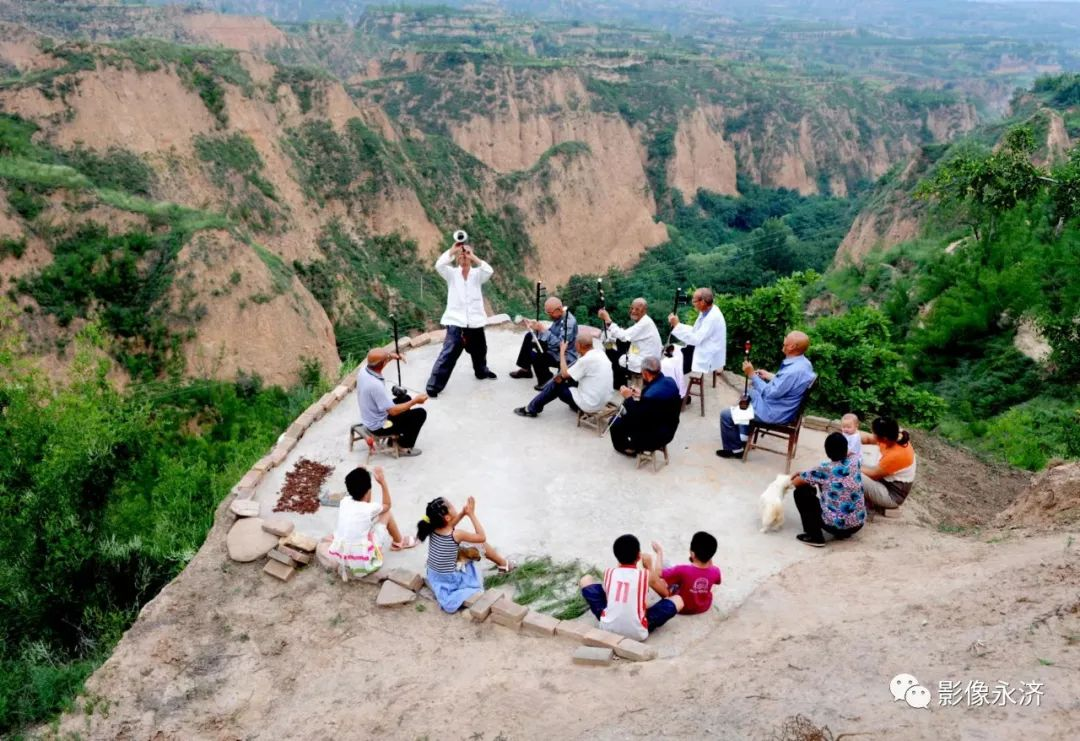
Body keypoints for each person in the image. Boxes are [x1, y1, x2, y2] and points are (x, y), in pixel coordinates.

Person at [717, 331, 815, 458]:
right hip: (783, 407)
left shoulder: (792, 371)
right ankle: (743, 436)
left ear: (792, 347)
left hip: (774, 412)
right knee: (749, 393)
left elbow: (770, 394)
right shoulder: (804, 363)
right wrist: (769, 376)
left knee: (726, 415)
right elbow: (787, 384)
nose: (784, 340)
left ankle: (735, 450)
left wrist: (752, 374)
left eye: (787, 339)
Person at [425, 236, 497, 398]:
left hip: (475, 322)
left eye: (466, 255)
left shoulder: (478, 274)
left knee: (480, 351)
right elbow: (439, 265)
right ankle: (433, 386)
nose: (463, 257)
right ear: (456, 259)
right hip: (455, 322)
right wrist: (453, 250)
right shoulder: (451, 274)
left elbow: (489, 270)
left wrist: (473, 256)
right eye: (461, 255)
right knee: (448, 354)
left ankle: (481, 372)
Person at [416, 495, 514, 613]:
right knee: (480, 546)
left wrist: (463, 512)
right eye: (451, 505)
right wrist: (472, 514)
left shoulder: (432, 528)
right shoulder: (457, 534)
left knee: (464, 546)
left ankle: (503, 564)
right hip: (450, 580)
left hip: (435, 575)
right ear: (447, 517)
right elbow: (481, 537)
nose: (453, 505)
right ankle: (503, 564)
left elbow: (450, 524)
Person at [579, 534, 683, 641]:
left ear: (616, 556)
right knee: (678, 600)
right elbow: (666, 595)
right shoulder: (646, 575)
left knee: (586, 579)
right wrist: (649, 566)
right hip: (637, 633)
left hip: (607, 627)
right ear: (639, 557)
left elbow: (609, 598)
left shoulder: (608, 572)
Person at [326, 467, 417, 579]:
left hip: (345, 560)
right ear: (369, 491)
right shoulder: (369, 509)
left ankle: (393, 542)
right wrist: (382, 483)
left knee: (366, 523)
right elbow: (387, 505)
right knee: (386, 514)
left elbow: (365, 502)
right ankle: (399, 542)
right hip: (364, 565)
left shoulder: (344, 502)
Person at [790, 432, 866, 547]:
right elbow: (849, 454)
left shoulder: (824, 469)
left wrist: (804, 475)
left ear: (827, 451)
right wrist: (808, 474)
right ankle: (845, 532)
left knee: (801, 492)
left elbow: (796, 482)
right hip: (857, 524)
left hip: (835, 526)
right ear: (846, 448)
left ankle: (814, 536)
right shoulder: (855, 460)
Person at [513, 334, 612, 418]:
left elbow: (564, 374)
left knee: (557, 384)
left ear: (579, 345)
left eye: (575, 344)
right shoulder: (600, 353)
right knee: (567, 378)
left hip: (591, 404)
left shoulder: (585, 361)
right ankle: (574, 405)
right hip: (603, 400)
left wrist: (562, 352)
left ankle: (531, 409)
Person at [358, 348, 428, 457]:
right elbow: (393, 412)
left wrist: (391, 356)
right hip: (379, 426)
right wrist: (416, 401)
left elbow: (379, 362)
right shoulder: (375, 385)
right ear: (384, 363)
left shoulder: (363, 370)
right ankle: (403, 446)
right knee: (420, 413)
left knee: (405, 398)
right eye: (387, 359)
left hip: (371, 415)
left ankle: (395, 438)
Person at [609, 356, 682, 456]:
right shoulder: (670, 381)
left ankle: (629, 448)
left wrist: (629, 398)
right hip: (670, 429)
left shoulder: (650, 397)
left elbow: (637, 417)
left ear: (646, 373)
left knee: (615, 421)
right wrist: (641, 395)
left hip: (655, 437)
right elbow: (656, 404)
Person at [510, 296, 578, 389]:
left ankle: (546, 379)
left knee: (535, 352)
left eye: (550, 313)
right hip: (554, 348)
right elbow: (551, 333)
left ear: (558, 309)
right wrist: (536, 328)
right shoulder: (559, 316)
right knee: (530, 337)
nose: (549, 316)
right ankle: (526, 370)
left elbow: (560, 344)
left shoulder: (569, 322)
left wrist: (542, 330)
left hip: (563, 355)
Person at [650, 532, 722, 615]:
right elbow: (718, 582)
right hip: (703, 606)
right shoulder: (715, 571)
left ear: (692, 554)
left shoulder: (682, 570)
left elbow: (658, 573)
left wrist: (659, 552)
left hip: (682, 607)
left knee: (666, 563)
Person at [598, 298, 662, 389]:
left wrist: (607, 319)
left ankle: (618, 384)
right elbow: (626, 337)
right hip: (641, 353)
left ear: (644, 311)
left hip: (643, 362)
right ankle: (619, 380)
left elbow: (623, 335)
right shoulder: (645, 321)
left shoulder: (645, 323)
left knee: (610, 350)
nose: (633, 311)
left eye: (637, 309)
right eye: (632, 308)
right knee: (619, 342)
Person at [859, 417, 917, 514]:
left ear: (884, 438)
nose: (872, 434)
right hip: (883, 480)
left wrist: (850, 463)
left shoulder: (897, 455)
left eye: (874, 433)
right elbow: (868, 438)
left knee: (852, 473)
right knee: (858, 462)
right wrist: (848, 439)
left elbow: (873, 474)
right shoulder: (895, 434)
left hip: (891, 495)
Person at [667, 287, 726, 378]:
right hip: (702, 345)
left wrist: (677, 326)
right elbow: (695, 331)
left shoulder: (712, 317)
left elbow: (695, 339)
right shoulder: (707, 311)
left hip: (708, 353)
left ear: (702, 302)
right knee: (674, 353)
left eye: (694, 301)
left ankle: (677, 387)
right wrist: (677, 325)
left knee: (675, 367)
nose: (693, 304)